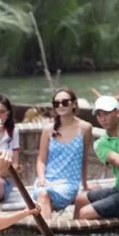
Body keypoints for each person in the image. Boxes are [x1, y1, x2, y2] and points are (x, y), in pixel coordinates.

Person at [32, 88, 93, 220]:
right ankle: (47, 233)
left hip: (69, 182)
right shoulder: (48, 130)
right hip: (47, 180)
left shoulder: (85, 128)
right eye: (56, 103)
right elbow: (41, 160)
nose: (60, 106)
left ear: (74, 104)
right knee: (42, 194)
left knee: (43, 196)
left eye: (65, 102)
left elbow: (84, 158)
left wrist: (85, 184)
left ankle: (45, 234)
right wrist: (42, 178)